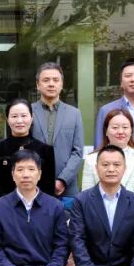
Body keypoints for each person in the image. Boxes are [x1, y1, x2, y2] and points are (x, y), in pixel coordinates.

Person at [81, 109, 134, 220]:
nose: (120, 131)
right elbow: (86, 198)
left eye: (125, 127)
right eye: (115, 127)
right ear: (106, 131)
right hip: (102, 222)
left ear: (131, 131)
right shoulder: (92, 159)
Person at [30, 62, 86, 198]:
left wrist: (63, 180)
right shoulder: (28, 112)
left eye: (56, 80)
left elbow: (77, 152)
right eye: (46, 80)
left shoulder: (74, 113)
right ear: (38, 85)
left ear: (62, 84)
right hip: (33, 186)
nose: (51, 84)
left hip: (66, 188)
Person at [0, 99, 56, 203]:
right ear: (7, 119)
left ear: (31, 118)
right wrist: (7, 206)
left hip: (38, 208)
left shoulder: (46, 150)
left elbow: (48, 186)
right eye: (14, 116)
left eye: (24, 116)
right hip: (4, 208)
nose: (19, 121)